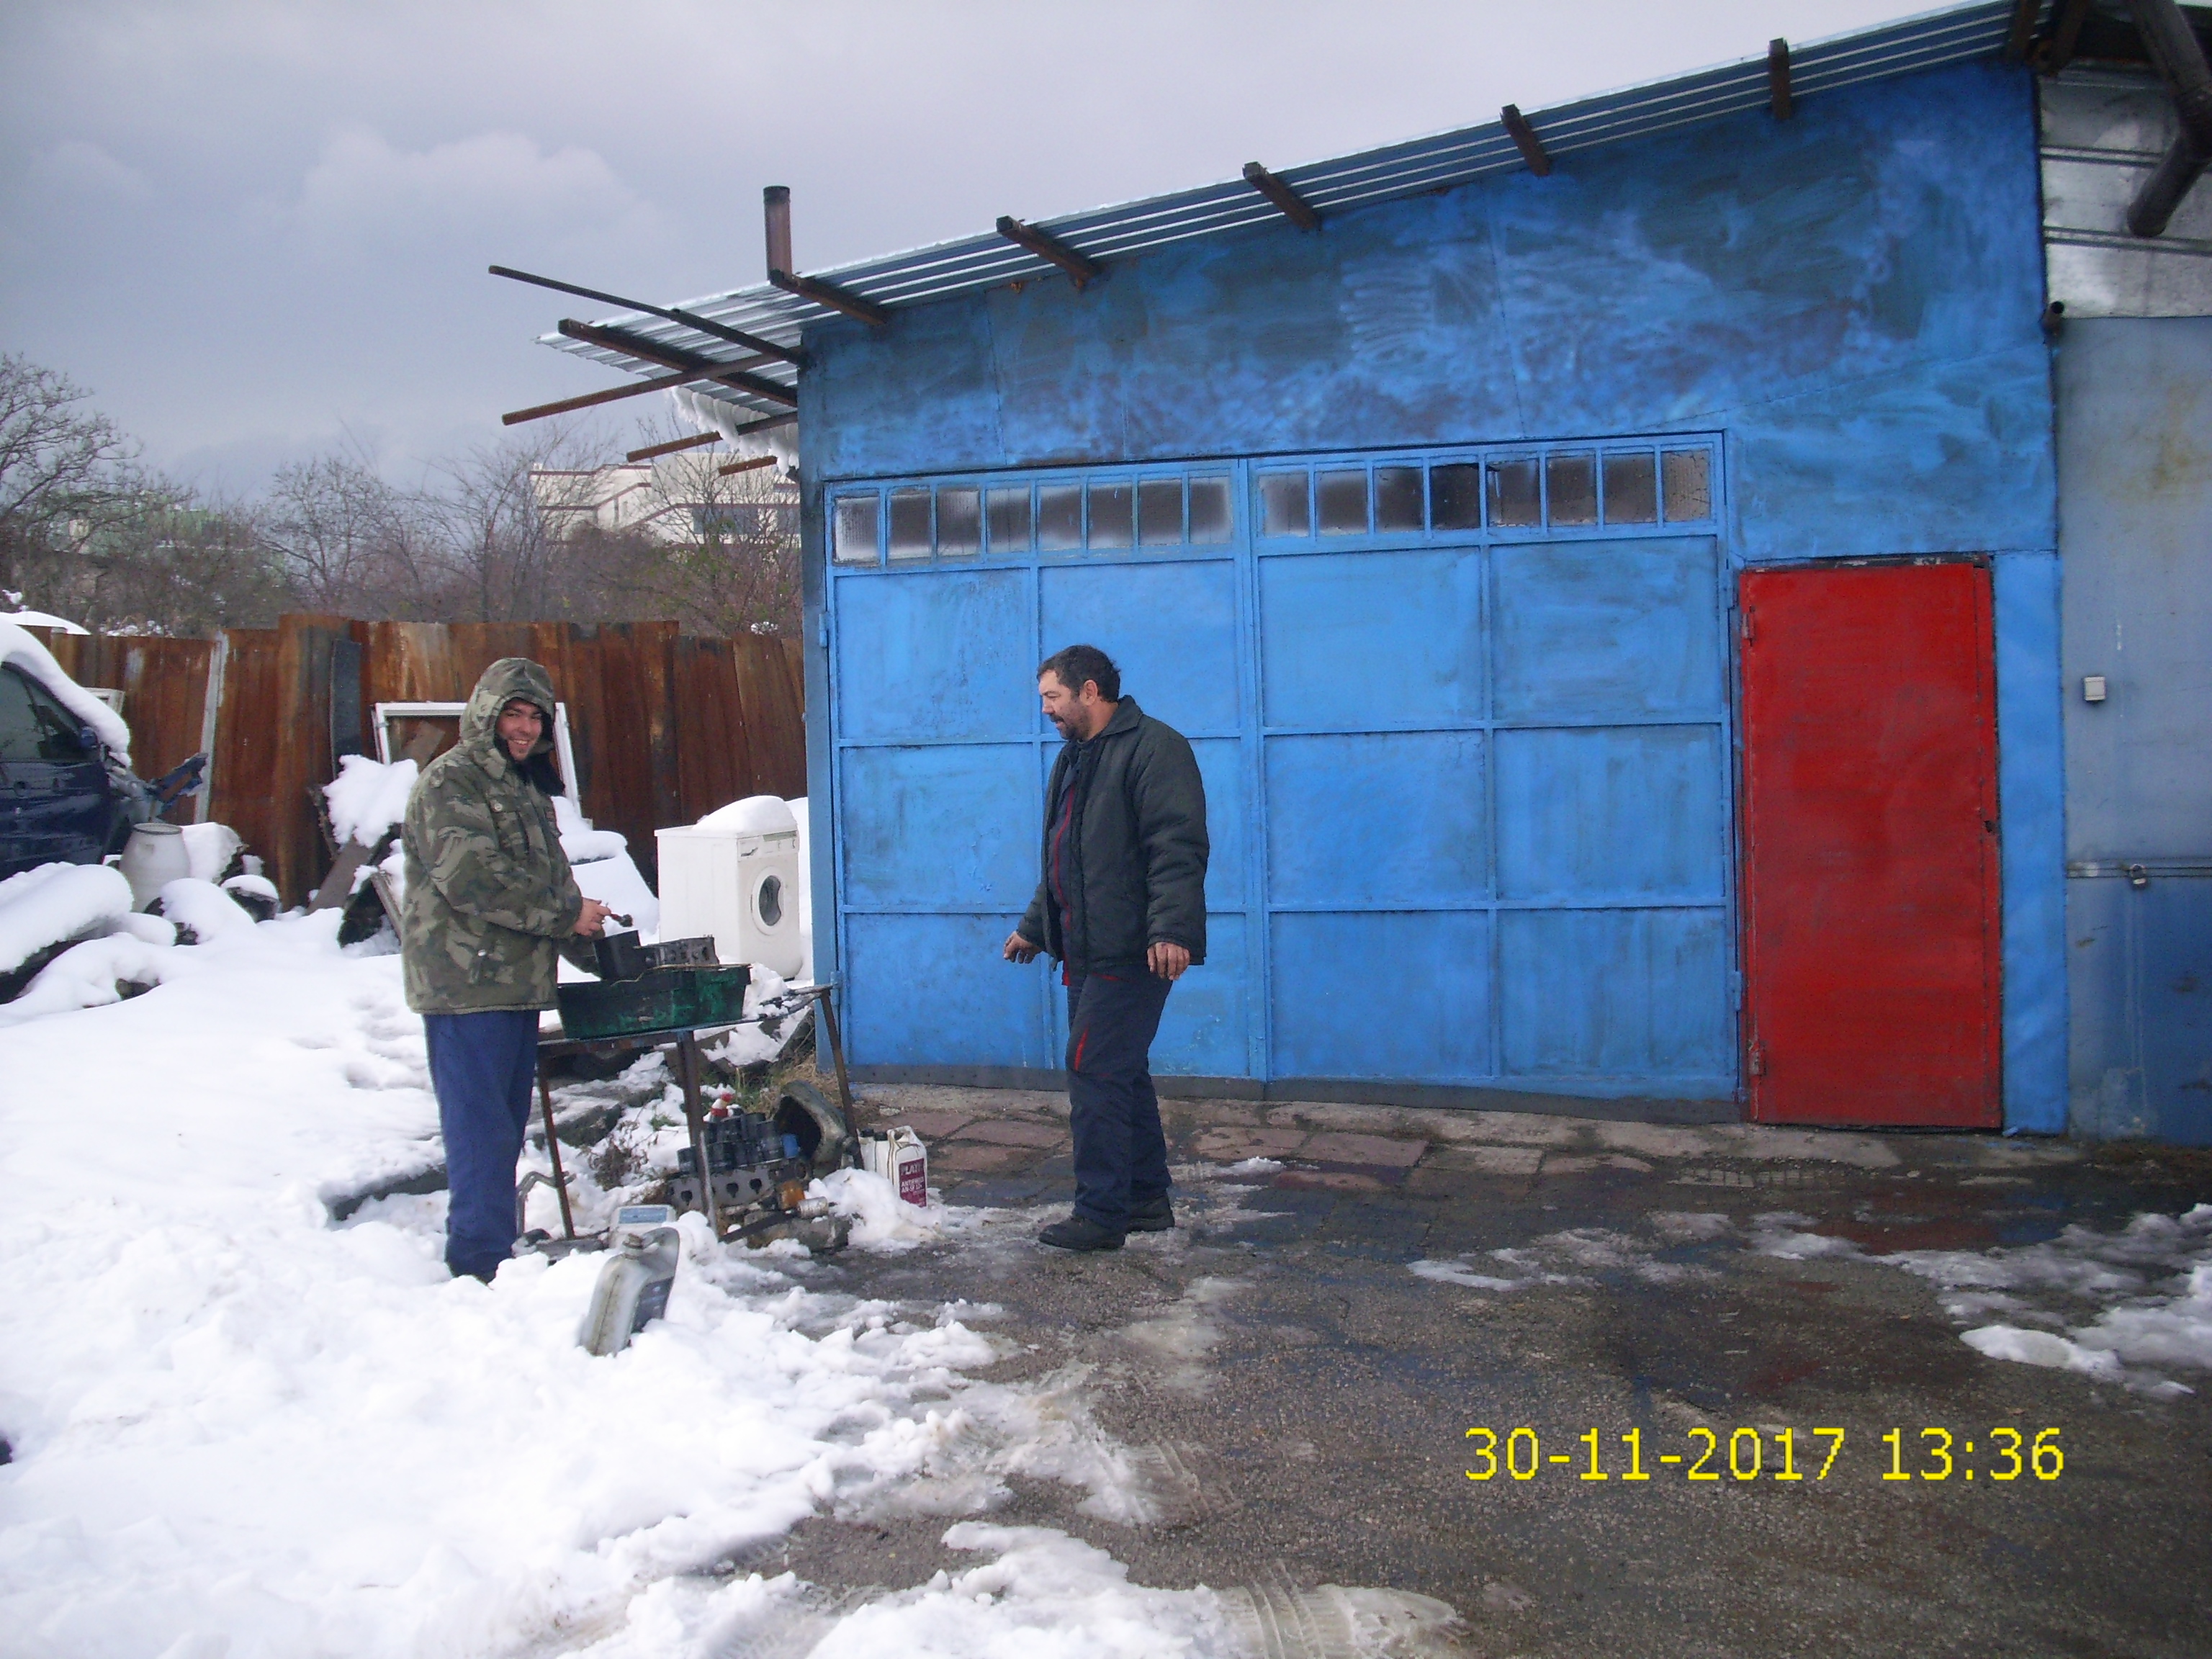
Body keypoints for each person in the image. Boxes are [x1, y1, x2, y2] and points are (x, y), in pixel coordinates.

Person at [400, 657, 613, 1281]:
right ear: (485, 714)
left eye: (534, 717)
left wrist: (601, 949)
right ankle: (477, 1263)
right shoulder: (451, 783)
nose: (523, 728)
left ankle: (495, 1249)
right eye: (512, 714)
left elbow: (550, 885)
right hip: (466, 987)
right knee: (478, 1131)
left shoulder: (526, 790)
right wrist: (568, 914)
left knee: (503, 1131)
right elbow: (474, 881)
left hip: (517, 986)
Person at [1004, 644, 1208, 1251]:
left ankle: (1100, 1214)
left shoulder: (1155, 749)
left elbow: (1176, 846)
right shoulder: (1075, 758)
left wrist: (1170, 930)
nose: (1046, 709)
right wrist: (1036, 926)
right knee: (1120, 1070)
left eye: (1053, 697)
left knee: (1092, 1068)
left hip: (1133, 950)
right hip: (1085, 951)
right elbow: (1065, 857)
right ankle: (1144, 1199)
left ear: (1089, 691)